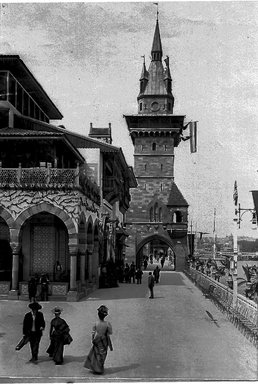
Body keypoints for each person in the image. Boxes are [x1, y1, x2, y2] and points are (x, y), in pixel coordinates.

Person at [84, 305, 113, 374]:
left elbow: (93, 332)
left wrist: (92, 339)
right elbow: (110, 332)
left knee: (96, 353)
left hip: (97, 339)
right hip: (104, 339)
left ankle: (95, 368)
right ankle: (99, 368)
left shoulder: (96, 323)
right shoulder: (107, 324)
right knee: (103, 353)